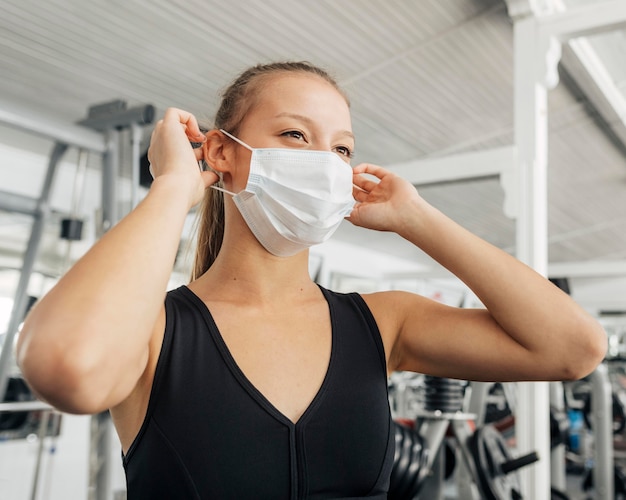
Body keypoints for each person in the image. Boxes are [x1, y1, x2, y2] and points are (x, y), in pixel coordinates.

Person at [17, 61, 606, 499]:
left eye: (342, 148)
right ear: (223, 152)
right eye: (297, 135)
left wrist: (418, 220)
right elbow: (65, 367)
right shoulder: (155, 331)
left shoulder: (383, 323)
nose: (326, 162)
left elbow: (575, 348)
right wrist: (175, 186)